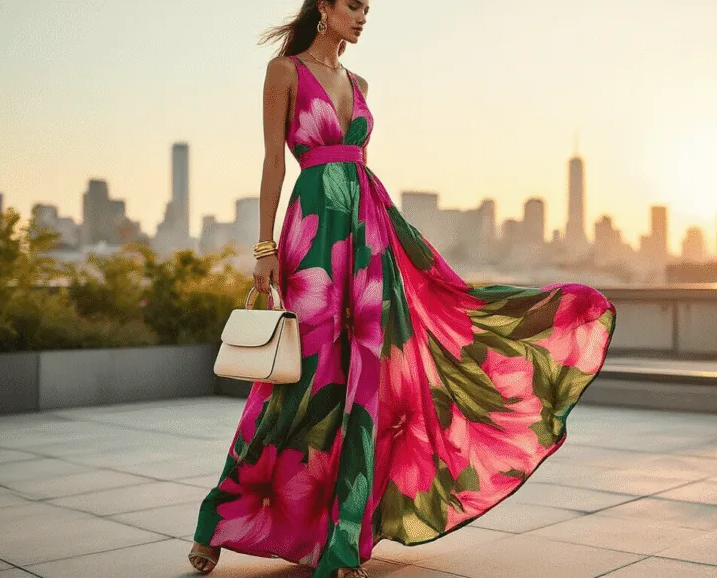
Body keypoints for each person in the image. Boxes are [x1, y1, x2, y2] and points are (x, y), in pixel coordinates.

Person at [187, 1, 617, 576]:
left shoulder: (360, 83)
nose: (363, 17)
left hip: (370, 230)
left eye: (368, 9)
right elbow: (273, 162)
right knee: (301, 381)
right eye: (354, 6)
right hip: (313, 234)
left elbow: (356, 163)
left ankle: (343, 538)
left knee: (367, 377)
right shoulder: (284, 71)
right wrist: (263, 248)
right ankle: (221, 520)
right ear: (324, 7)